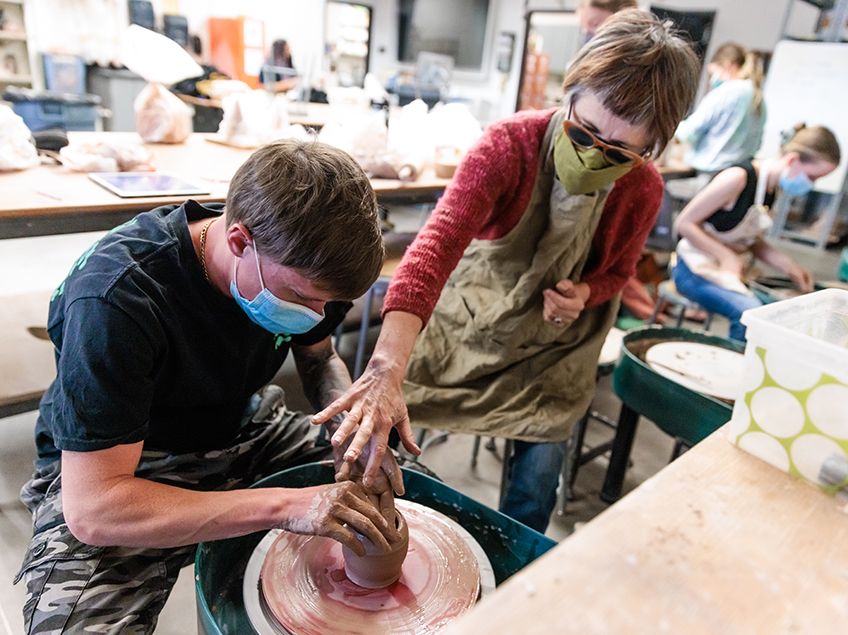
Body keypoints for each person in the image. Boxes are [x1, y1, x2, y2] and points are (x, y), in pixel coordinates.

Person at [313, 10, 701, 533]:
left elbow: (621, 272)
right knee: (388, 437)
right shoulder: (509, 145)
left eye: (616, 151)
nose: (592, 153)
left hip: (557, 346)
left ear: (650, 147)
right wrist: (385, 368)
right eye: (582, 131)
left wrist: (585, 292)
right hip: (479, 318)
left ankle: (511, 570)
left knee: (537, 477)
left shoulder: (644, 188)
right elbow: (435, 247)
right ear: (570, 93)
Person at [14, 139, 404, 634]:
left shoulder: (295, 259)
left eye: (329, 304)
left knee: (398, 484)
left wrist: (350, 424)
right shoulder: (117, 297)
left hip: (245, 425)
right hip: (126, 465)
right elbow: (94, 509)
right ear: (240, 242)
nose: (317, 315)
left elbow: (320, 355)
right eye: (305, 299)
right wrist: (287, 506)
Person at [672, 123, 840, 341]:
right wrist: (726, 256)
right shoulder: (737, 178)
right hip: (692, 268)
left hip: (729, 269)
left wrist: (789, 266)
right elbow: (684, 224)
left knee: (785, 309)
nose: (811, 184)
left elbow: (750, 240)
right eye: (812, 177)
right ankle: (733, 364)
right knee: (748, 313)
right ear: (792, 160)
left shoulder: (772, 189)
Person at [674, 42, 767, 176]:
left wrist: (670, 126)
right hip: (740, 174)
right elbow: (757, 144)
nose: (712, 79)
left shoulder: (728, 92)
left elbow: (691, 131)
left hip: (712, 172)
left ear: (729, 66)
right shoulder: (758, 97)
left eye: (713, 73)